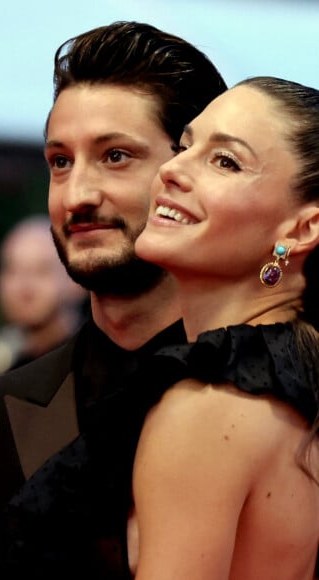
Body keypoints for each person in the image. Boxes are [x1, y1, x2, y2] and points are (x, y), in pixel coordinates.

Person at [0, 21, 227, 578]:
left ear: (195, 173)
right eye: (60, 162)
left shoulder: (276, 396)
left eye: (115, 156)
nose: (77, 195)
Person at [127, 76, 319, 579]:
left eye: (225, 161)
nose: (171, 170)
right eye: (184, 146)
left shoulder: (208, 408)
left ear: (301, 229)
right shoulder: (299, 387)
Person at [0, 214, 86, 378]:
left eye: (41, 271)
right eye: (11, 271)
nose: (23, 287)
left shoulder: (99, 368)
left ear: (77, 281)